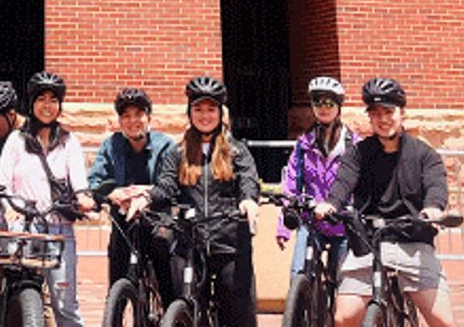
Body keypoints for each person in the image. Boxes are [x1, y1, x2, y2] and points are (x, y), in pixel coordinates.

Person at [317, 77, 457, 327]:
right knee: (343, 318)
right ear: (369, 117)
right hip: (368, 243)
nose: (383, 119)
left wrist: (433, 208)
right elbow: (343, 183)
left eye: (389, 112)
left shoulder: (424, 154)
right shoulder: (358, 154)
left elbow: (436, 185)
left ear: (402, 112)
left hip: (413, 242)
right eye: (376, 113)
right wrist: (331, 204)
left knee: (443, 321)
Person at [147, 75, 261, 327]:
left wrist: (249, 200)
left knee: (237, 311)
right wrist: (146, 197)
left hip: (229, 242)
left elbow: (248, 181)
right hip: (190, 241)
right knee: (181, 305)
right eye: (198, 109)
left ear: (221, 113)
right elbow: (165, 186)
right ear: (190, 112)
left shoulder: (237, 150)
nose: (204, 115)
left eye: (211, 109)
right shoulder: (177, 152)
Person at [0, 71, 94, 327]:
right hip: (23, 229)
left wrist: (84, 198)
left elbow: (80, 183)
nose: (47, 105)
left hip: (59, 229)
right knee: (16, 295)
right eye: (41, 99)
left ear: (60, 105)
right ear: (32, 103)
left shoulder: (69, 142)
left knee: (65, 306)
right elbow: (3, 183)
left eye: (53, 99)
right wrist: (10, 210)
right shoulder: (16, 140)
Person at [87, 87, 172, 290]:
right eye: (126, 116)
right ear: (120, 121)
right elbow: (94, 181)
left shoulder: (165, 145)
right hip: (124, 224)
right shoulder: (111, 145)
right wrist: (112, 193)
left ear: (148, 117)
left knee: (168, 287)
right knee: (117, 287)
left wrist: (146, 193)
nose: (133, 121)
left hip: (157, 223)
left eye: (139, 114)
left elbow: (170, 184)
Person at [277, 76, 356, 278]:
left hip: (342, 224)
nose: (323, 107)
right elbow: (291, 185)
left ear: (338, 106)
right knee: (298, 274)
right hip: (311, 221)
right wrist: (284, 226)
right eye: (317, 102)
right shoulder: (304, 145)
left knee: (344, 282)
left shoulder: (353, 145)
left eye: (329, 102)